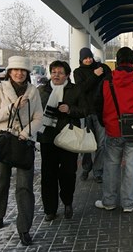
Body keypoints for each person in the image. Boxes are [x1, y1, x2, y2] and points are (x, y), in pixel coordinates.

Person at [0, 55, 43, 246]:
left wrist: (26, 133)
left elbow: (38, 117)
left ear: (27, 73)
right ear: (9, 72)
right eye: (15, 70)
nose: (19, 73)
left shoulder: (33, 91)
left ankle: (25, 228)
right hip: (3, 142)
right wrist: (12, 107)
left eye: (23, 70)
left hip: (23, 142)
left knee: (25, 186)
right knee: (1, 180)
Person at [94, 47, 133, 213]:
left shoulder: (107, 80)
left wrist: (105, 122)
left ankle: (109, 202)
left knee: (111, 167)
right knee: (131, 167)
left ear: (117, 61)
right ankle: (128, 203)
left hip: (113, 130)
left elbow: (97, 104)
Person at [37, 61, 86, 221]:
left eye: (60, 72)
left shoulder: (75, 90)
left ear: (67, 74)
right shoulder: (42, 91)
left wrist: (70, 110)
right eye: (53, 72)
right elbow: (34, 113)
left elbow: (85, 110)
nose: (56, 75)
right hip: (48, 138)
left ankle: (67, 202)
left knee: (68, 173)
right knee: (48, 174)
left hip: (69, 137)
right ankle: (50, 209)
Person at [73, 47, 112, 183]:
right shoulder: (78, 72)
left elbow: (109, 80)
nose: (88, 60)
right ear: (81, 59)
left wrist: (101, 72)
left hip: (100, 112)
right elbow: (81, 89)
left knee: (101, 144)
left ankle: (98, 171)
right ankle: (86, 168)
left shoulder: (102, 68)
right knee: (86, 144)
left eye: (90, 57)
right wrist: (95, 75)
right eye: (85, 58)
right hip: (86, 113)